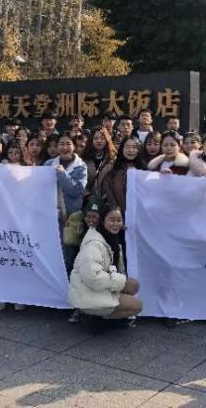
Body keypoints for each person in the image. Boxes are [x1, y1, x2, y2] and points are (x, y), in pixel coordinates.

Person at [69, 204, 142, 332]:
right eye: (112, 220)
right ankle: (95, 320)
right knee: (137, 306)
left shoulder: (112, 239)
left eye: (119, 220)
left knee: (134, 285)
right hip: (88, 292)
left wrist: (118, 282)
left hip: (101, 285)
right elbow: (93, 278)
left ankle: (104, 315)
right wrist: (117, 282)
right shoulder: (93, 245)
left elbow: (118, 270)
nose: (116, 224)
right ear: (103, 221)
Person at [45, 131, 88, 273]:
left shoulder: (81, 166)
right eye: (61, 144)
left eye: (68, 144)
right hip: (51, 217)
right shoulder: (48, 164)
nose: (64, 147)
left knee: (70, 255)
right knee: (53, 253)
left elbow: (76, 191)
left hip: (71, 218)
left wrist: (62, 173)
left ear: (74, 146)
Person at [64, 196, 104, 324]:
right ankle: (79, 309)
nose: (91, 220)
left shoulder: (105, 232)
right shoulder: (81, 230)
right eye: (88, 216)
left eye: (95, 217)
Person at [97, 136, 145, 215]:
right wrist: (116, 209)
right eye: (127, 147)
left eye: (134, 147)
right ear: (122, 149)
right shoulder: (112, 169)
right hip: (117, 216)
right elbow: (108, 192)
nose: (131, 150)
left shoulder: (144, 170)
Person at [82, 126, 117, 197]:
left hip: (108, 199)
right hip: (89, 199)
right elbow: (80, 183)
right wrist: (87, 196)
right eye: (95, 138)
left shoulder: (113, 159)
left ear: (107, 140)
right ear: (91, 140)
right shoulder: (83, 160)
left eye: (102, 138)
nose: (99, 141)